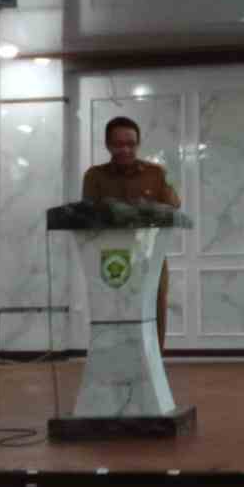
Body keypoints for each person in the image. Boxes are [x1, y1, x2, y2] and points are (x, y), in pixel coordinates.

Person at [82, 116, 181, 349]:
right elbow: (87, 214)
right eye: (118, 144)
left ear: (138, 144)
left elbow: (174, 206)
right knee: (113, 311)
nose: (126, 149)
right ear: (108, 145)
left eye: (131, 144)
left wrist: (148, 208)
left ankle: (153, 361)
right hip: (112, 256)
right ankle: (114, 359)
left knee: (153, 308)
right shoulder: (94, 176)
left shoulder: (156, 173)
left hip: (150, 255)